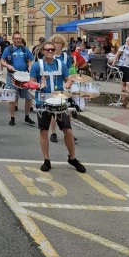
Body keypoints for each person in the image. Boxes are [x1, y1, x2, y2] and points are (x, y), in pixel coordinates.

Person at [30, 41, 86, 173]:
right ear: (43, 51)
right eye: (47, 50)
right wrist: (39, 85)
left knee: (68, 130)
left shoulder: (60, 64)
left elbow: (68, 78)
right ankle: (46, 160)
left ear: (54, 51)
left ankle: (72, 158)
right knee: (44, 130)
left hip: (60, 99)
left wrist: (68, 83)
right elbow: (31, 83)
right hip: (43, 99)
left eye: (52, 50)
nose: (50, 52)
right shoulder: (37, 65)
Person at [0, 32, 35, 126]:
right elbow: (2, 60)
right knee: (12, 97)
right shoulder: (8, 49)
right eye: (16, 38)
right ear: (13, 39)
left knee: (29, 97)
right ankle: (12, 117)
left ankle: (27, 116)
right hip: (12, 76)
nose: (18, 40)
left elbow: (29, 60)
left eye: (19, 38)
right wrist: (8, 65)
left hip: (24, 76)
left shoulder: (24, 49)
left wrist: (30, 67)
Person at [48, 34, 73, 144]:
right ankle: (53, 132)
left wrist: (70, 81)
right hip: (52, 85)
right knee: (54, 110)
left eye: (60, 43)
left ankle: (68, 131)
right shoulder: (49, 56)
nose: (58, 45)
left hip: (63, 84)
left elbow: (69, 70)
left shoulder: (66, 57)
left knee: (67, 110)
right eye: (56, 43)